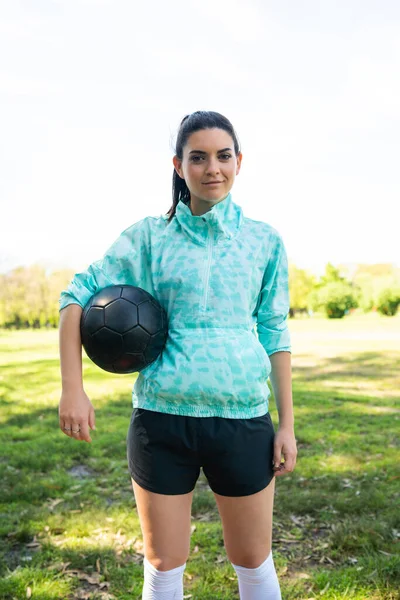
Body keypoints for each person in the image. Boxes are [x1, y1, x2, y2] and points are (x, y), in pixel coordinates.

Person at [58, 111, 297, 600]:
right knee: (164, 565)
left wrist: (287, 423)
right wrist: (72, 388)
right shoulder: (149, 237)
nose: (213, 168)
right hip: (161, 421)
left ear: (239, 162)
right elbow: (76, 294)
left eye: (223, 156)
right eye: (198, 157)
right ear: (178, 165)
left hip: (243, 420)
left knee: (253, 560)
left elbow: (275, 330)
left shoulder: (264, 241)